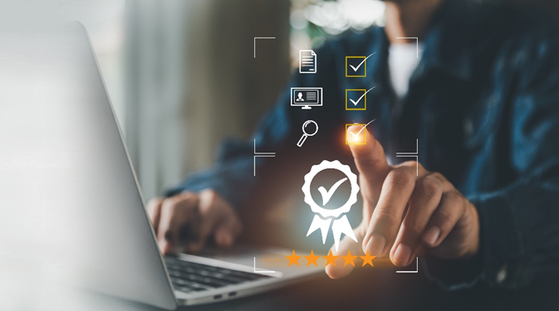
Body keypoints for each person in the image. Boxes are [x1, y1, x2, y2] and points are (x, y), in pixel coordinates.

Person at [147, 0, 559, 290]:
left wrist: (479, 228)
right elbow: (266, 154)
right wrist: (212, 195)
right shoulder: (337, 60)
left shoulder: (533, 47)